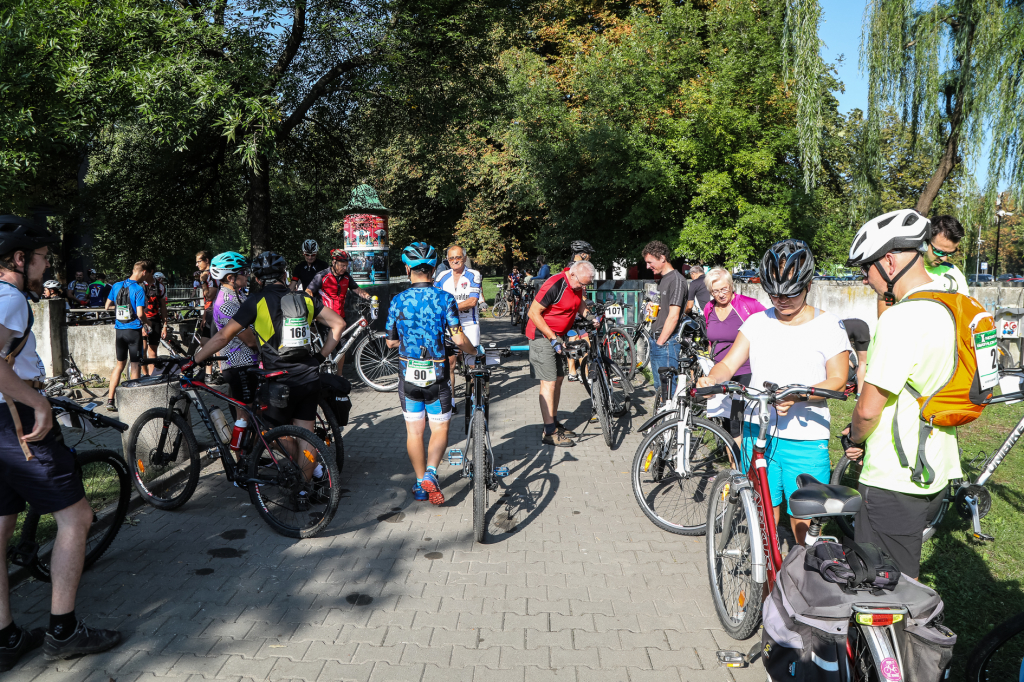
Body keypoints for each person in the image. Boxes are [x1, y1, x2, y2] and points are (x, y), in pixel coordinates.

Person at [0, 216, 121, 669]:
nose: (47, 265)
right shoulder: (10, 298)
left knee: (1, 527)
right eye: (43, 257)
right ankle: (64, 631)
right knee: (77, 517)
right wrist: (39, 403)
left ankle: (6, 638)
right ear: (19, 258)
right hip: (17, 422)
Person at [697, 240, 850, 546]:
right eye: (774, 294)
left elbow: (838, 379)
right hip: (758, 433)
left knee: (804, 521)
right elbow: (729, 363)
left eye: (790, 294)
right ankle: (766, 569)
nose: (781, 301)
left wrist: (799, 396)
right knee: (763, 513)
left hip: (806, 438)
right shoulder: (757, 322)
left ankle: (802, 568)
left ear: (808, 285)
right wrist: (711, 378)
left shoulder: (829, 326)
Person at [842, 208, 960, 579]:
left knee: (885, 586)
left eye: (867, 268)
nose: (866, 279)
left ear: (890, 261)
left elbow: (867, 410)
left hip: (895, 475)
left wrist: (854, 436)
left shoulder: (900, 318)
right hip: (938, 467)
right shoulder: (950, 305)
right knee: (903, 574)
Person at [191, 251, 346, 483]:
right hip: (308, 376)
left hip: (279, 379)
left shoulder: (255, 301)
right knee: (306, 435)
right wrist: (319, 358)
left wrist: (194, 360)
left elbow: (223, 336)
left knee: (268, 432)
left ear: (257, 278)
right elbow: (339, 323)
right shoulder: (304, 298)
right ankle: (305, 489)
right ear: (285, 275)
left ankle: (302, 476)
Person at [386, 243, 476, 504]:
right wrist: (475, 352)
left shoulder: (397, 300)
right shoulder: (445, 299)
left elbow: (390, 342)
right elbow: (458, 338)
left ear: (407, 269)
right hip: (437, 374)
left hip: (408, 375)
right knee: (439, 428)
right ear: (435, 269)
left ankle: (419, 484)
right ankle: (431, 473)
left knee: (414, 432)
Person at [525, 260, 597, 446]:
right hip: (542, 336)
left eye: (586, 285)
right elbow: (533, 313)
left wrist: (590, 317)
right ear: (572, 274)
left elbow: (579, 304)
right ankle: (549, 432)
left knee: (558, 379)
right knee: (548, 382)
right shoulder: (555, 285)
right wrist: (552, 337)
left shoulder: (576, 285)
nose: (583, 288)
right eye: (582, 284)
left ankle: (554, 422)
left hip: (558, 337)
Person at [701, 267, 765, 445]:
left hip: (743, 372)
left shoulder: (748, 305)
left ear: (731, 285)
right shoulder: (709, 308)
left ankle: (738, 460)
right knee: (725, 422)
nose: (721, 294)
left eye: (724, 289)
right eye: (715, 291)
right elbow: (712, 339)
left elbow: (770, 324)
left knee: (736, 422)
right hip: (720, 373)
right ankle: (733, 458)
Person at [209, 253, 259, 420]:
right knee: (245, 416)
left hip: (248, 363)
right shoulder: (227, 303)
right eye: (243, 272)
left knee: (254, 415)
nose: (247, 275)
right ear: (231, 278)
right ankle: (240, 439)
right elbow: (250, 340)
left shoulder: (237, 294)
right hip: (239, 364)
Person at [306, 249, 370, 372]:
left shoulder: (346, 277)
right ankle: (324, 374)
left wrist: (368, 297)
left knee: (343, 348)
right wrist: (311, 307)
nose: (344, 268)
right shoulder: (322, 276)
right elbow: (308, 291)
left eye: (346, 265)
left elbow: (357, 290)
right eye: (342, 265)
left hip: (341, 317)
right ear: (334, 262)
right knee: (328, 349)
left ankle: (339, 376)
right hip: (325, 319)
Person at [103, 261, 154, 412]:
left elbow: (107, 306)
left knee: (119, 365)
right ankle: (134, 402)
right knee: (135, 364)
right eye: (147, 274)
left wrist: (121, 307)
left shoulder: (116, 285)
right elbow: (140, 313)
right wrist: (149, 323)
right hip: (133, 331)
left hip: (119, 331)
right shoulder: (138, 289)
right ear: (143, 272)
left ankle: (110, 400)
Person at [433, 245, 482, 399]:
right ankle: (451, 402)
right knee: (449, 364)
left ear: (464, 258)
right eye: (451, 258)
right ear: (447, 260)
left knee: (472, 364)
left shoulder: (474, 275)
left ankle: (475, 398)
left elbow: (472, 301)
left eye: (458, 257)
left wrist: (448, 309)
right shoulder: (441, 277)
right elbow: (435, 300)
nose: (455, 261)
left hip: (469, 323)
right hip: (449, 325)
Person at [642, 241, 687, 398]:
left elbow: (674, 316)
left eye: (650, 262)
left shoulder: (677, 280)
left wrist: (660, 342)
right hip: (658, 340)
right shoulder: (662, 279)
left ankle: (670, 414)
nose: (647, 266)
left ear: (662, 258)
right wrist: (650, 306)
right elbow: (663, 307)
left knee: (667, 390)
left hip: (666, 342)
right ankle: (662, 413)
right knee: (660, 388)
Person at [923, 215, 969, 293]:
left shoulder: (953, 273)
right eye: (939, 251)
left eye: (950, 253)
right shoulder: (904, 269)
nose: (944, 259)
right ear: (925, 242)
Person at [141, 271, 169, 375]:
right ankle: (145, 375)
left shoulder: (160, 286)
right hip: (142, 320)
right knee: (143, 350)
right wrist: (142, 323)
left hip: (155, 320)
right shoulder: (140, 285)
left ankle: (152, 376)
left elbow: (163, 307)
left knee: (153, 351)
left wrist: (165, 325)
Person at [842, 318, 870, 395]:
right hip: (862, 326)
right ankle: (859, 394)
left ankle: (839, 390)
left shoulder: (838, 324)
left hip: (845, 327)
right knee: (863, 363)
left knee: (840, 358)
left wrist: (854, 367)